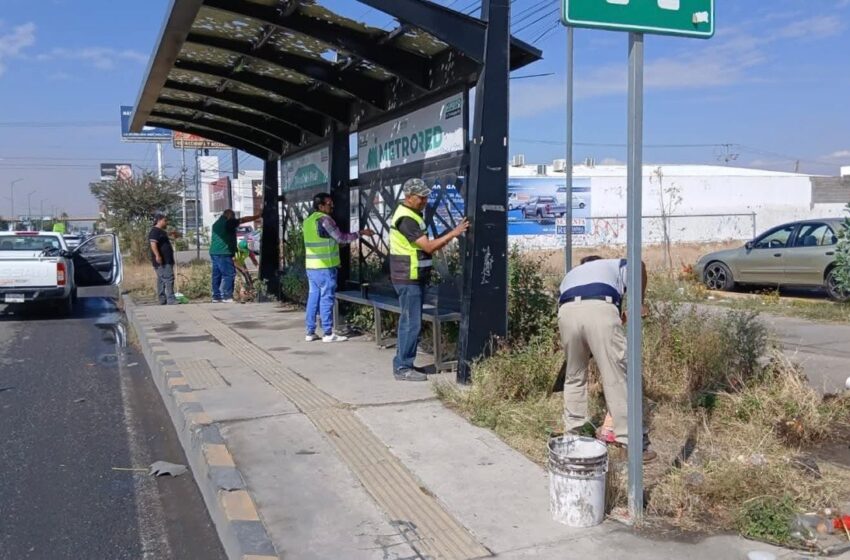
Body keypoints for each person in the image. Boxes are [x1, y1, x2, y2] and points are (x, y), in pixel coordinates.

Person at [557, 255, 656, 462]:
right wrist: (639, 304)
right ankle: (628, 443)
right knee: (615, 376)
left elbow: (581, 313)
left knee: (574, 376)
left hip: (566, 311)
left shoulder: (573, 274)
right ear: (600, 260)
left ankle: (571, 438)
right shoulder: (615, 265)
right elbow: (639, 265)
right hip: (601, 305)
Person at [389, 178, 469, 381]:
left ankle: (404, 364)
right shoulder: (406, 219)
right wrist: (454, 232)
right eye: (421, 197)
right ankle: (403, 367)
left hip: (412, 277)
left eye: (426, 196)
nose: (425, 200)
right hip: (408, 277)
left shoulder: (412, 214)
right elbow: (429, 247)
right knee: (410, 324)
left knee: (410, 322)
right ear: (408, 197)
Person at [303, 192, 373, 342]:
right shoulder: (325, 220)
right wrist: (361, 233)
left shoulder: (308, 221)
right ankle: (328, 333)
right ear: (320, 206)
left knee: (313, 297)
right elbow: (341, 238)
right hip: (325, 266)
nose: (332, 207)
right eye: (329, 204)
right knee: (326, 298)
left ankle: (310, 331)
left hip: (311, 266)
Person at [210, 209, 261, 303]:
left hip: (214, 252)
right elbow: (243, 220)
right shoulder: (227, 222)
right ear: (229, 216)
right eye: (233, 217)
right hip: (224, 252)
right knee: (229, 274)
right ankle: (227, 296)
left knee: (216, 275)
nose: (234, 219)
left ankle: (216, 296)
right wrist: (257, 216)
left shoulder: (217, 223)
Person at [148, 212, 177, 305]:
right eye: (165, 220)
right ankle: (171, 299)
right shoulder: (154, 231)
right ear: (159, 221)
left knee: (161, 279)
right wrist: (158, 255)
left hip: (167, 259)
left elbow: (165, 238)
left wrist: (172, 234)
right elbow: (153, 244)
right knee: (169, 278)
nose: (166, 222)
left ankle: (162, 299)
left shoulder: (161, 232)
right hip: (162, 260)